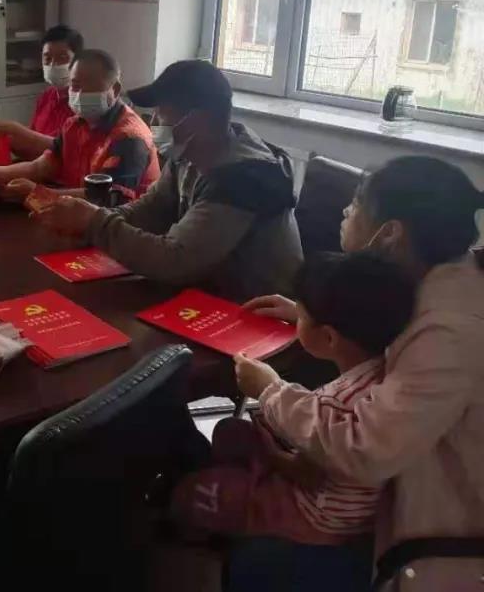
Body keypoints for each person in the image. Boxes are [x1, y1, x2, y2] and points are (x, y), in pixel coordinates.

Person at [236, 156, 484, 590]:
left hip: (429, 532)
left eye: (356, 204)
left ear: (390, 233)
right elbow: (388, 325)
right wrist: (312, 314)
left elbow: (363, 449)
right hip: (393, 484)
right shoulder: (442, 279)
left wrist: (272, 392)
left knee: (252, 557)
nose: (345, 212)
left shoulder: (450, 331)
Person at [173, 253, 416, 554]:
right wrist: (299, 313)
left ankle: (193, 537)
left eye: (301, 316)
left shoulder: (333, 405)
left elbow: (307, 474)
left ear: (329, 338)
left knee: (195, 490)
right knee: (231, 431)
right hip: (345, 496)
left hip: (313, 515)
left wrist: (272, 446)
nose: (297, 320)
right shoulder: (387, 372)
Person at [31, 60, 302, 301]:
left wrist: (95, 222)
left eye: (160, 113)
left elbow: (176, 261)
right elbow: (150, 209)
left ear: (197, 120)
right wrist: (87, 224)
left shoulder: (243, 178)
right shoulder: (188, 153)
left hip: (259, 313)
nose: (152, 121)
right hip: (210, 291)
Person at [0, 49, 159, 202]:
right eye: (75, 85)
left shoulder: (130, 138)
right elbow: (41, 167)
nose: (80, 93)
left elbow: (109, 198)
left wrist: (39, 193)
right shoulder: (74, 124)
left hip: (121, 228)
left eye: (90, 85)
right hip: (78, 215)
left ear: (114, 89)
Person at [0, 25, 84, 160]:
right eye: (47, 58)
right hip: (35, 167)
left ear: (78, 61)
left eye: (62, 57)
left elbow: (62, 151)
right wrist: (3, 138)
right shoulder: (47, 96)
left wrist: (15, 129)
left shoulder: (83, 103)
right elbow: (32, 146)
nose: (53, 64)